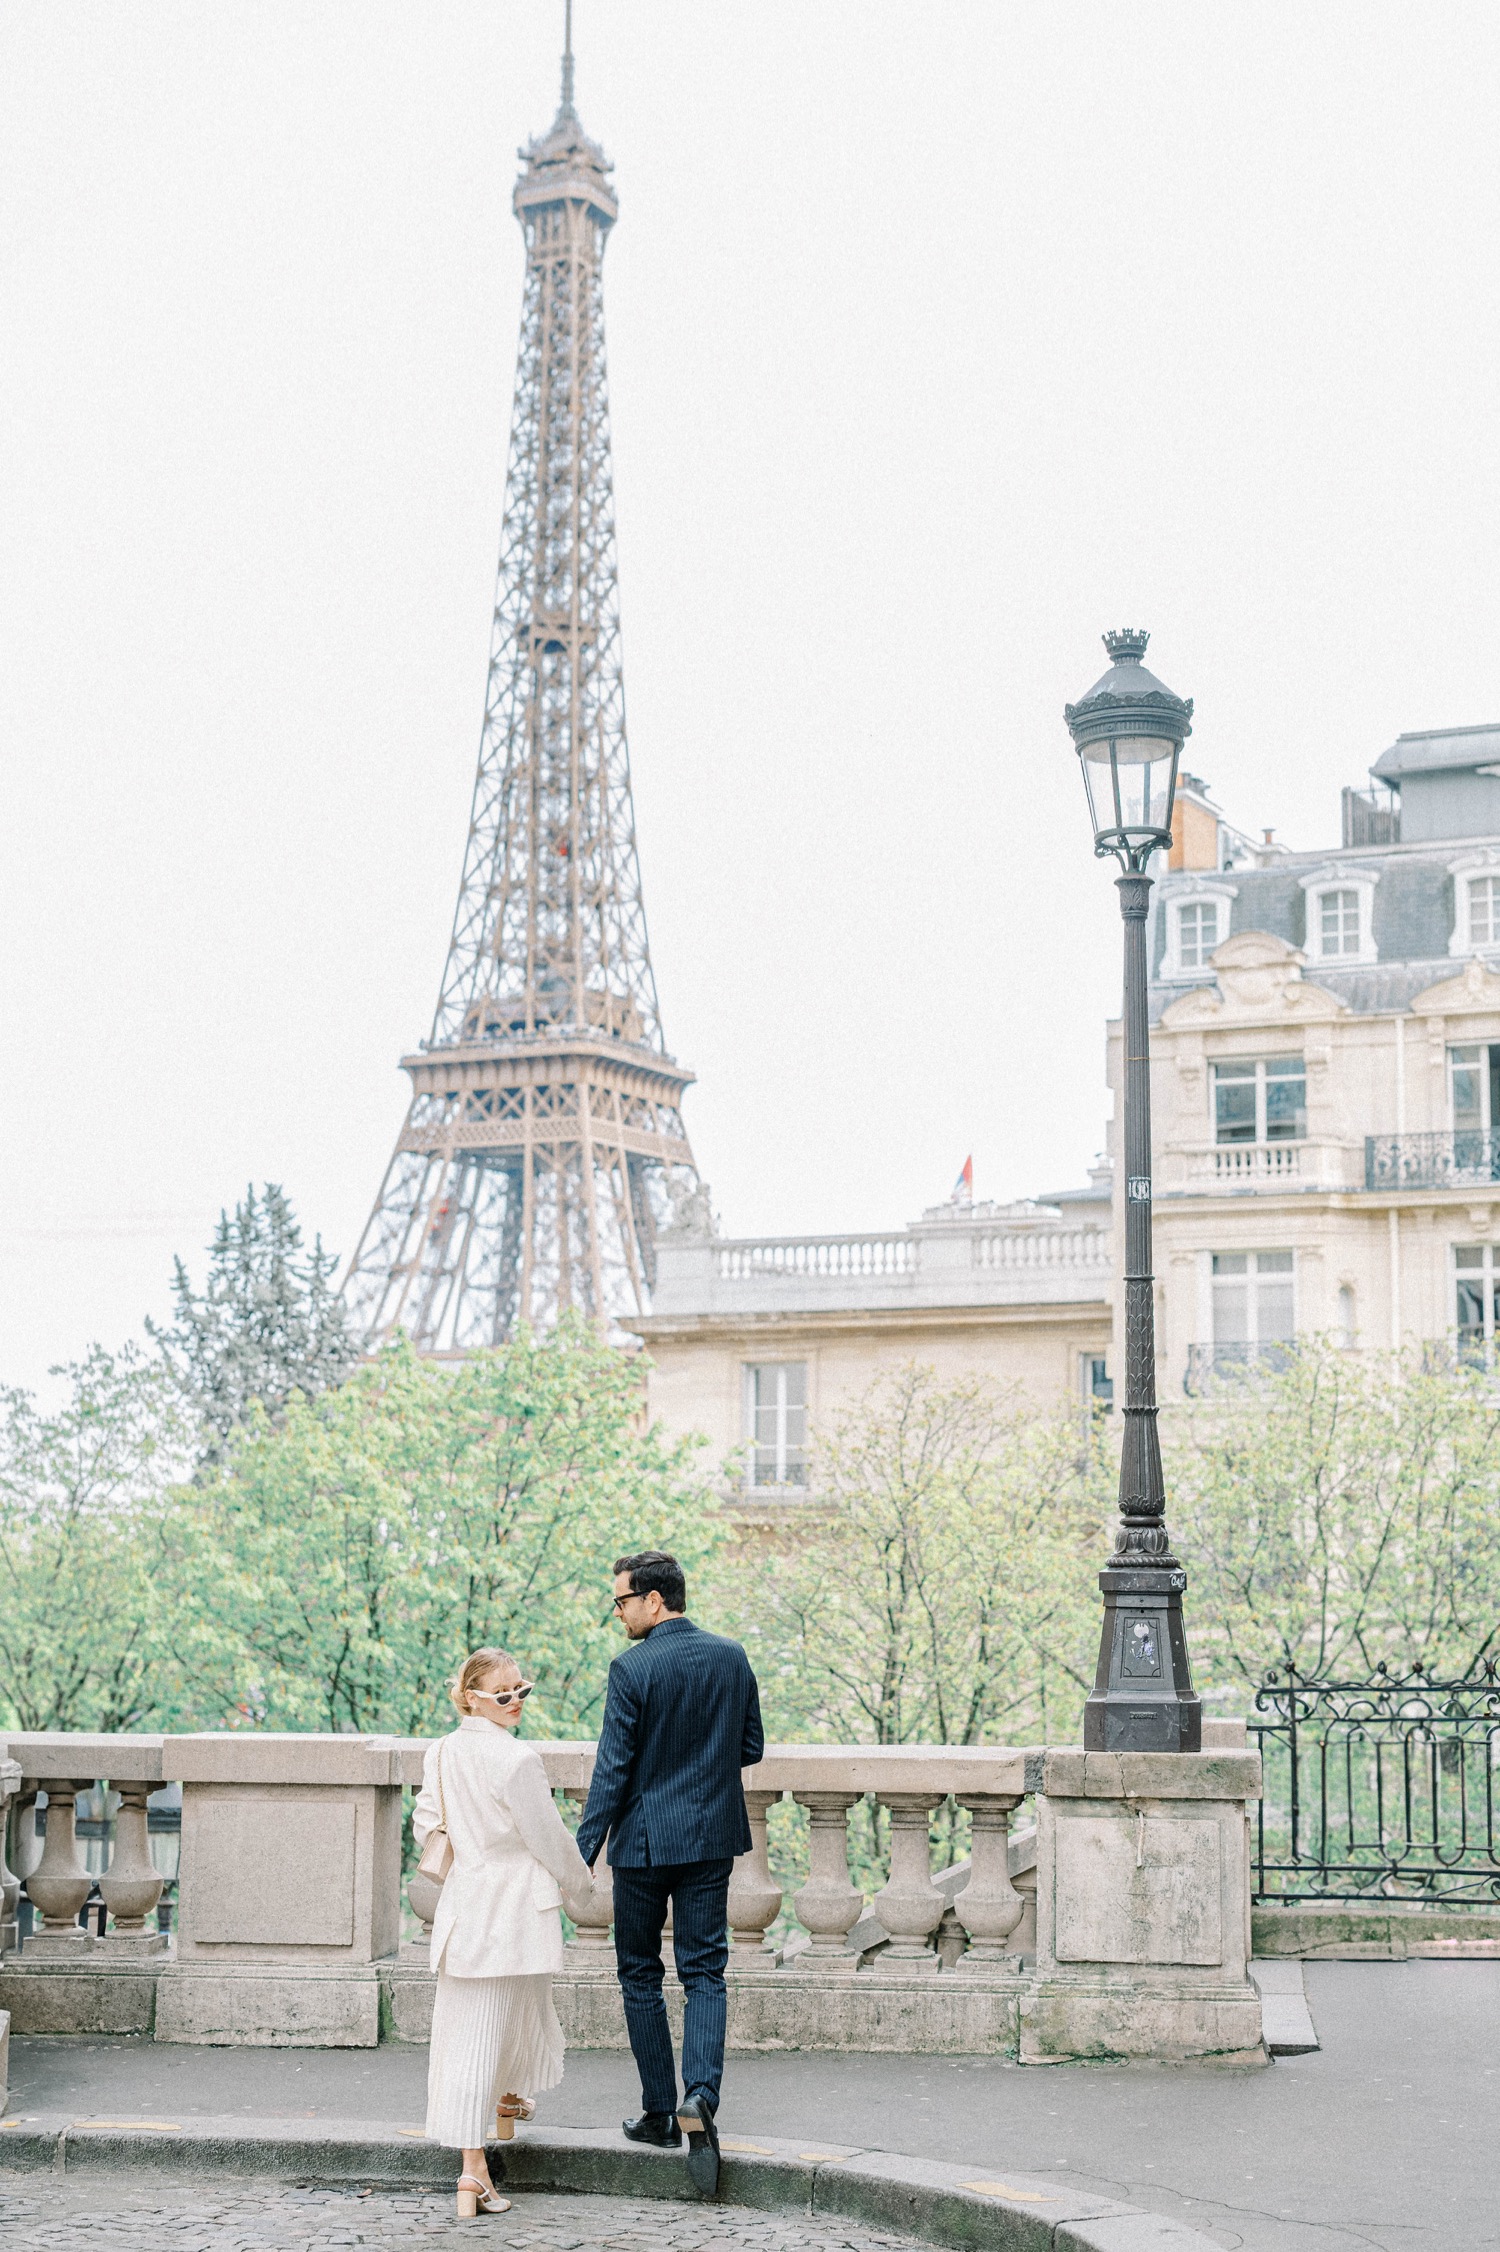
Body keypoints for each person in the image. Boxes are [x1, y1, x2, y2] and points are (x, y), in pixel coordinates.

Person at [576, 1549, 765, 2198]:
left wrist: (581, 1852)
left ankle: (659, 2111)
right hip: (710, 1837)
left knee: (639, 1973)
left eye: (622, 1601)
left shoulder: (632, 1668)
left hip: (645, 1846)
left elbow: (612, 1770)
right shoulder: (730, 1657)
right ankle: (701, 2097)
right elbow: (751, 1748)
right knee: (706, 1970)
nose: (619, 1613)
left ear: (654, 1601)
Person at [416, 1646, 596, 2222]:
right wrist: (583, 1888)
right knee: (489, 2028)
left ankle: (505, 2105)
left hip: (468, 1903)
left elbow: (426, 1822)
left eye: (523, 1690)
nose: (516, 1701)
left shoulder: (441, 1752)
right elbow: (547, 1837)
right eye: (503, 1694)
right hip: (517, 1907)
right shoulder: (517, 1760)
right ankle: (474, 2167)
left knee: (491, 2020)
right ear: (471, 1696)